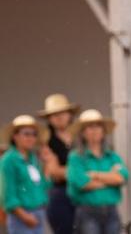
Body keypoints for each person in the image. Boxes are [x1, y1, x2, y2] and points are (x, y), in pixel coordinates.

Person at [66, 110, 128, 234]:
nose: (94, 130)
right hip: (87, 211)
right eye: (90, 127)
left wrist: (95, 175)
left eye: (98, 126)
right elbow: (82, 183)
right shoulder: (76, 157)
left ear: (103, 131)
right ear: (82, 133)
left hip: (111, 210)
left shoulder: (112, 156)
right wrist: (110, 179)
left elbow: (122, 178)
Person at [1, 115, 49, 234]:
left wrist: (47, 164)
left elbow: (43, 185)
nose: (31, 138)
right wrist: (24, 216)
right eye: (26, 134)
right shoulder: (8, 160)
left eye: (34, 134)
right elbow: (7, 194)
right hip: (21, 216)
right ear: (15, 136)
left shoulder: (33, 159)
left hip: (38, 211)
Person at [39, 94, 80, 234]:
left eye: (62, 113)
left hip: (84, 193)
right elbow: (54, 172)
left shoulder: (79, 137)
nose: (59, 117)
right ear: (49, 119)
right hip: (61, 193)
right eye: (54, 115)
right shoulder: (46, 141)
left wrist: (71, 172)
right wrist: (83, 173)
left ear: (70, 114)